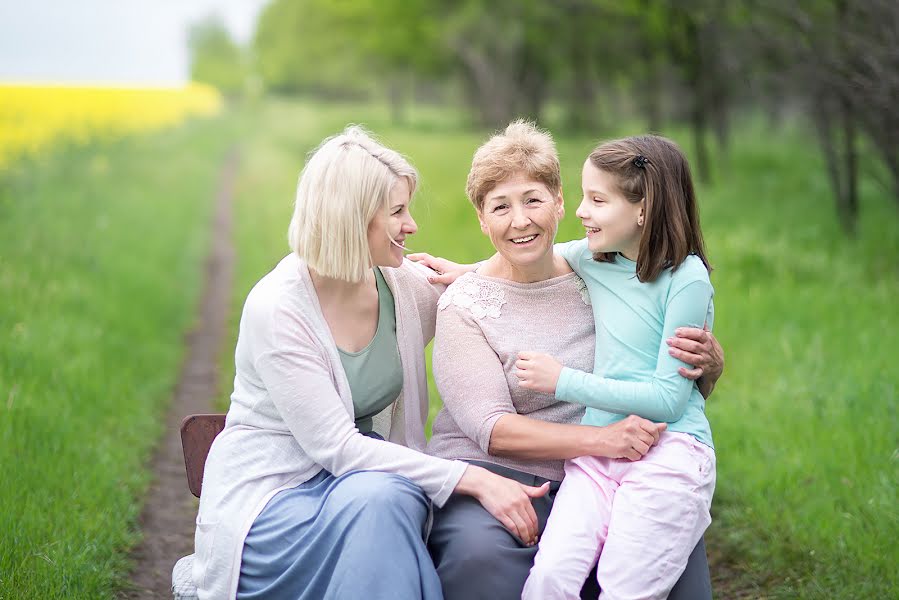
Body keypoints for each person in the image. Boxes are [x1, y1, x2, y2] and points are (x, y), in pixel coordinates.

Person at [190, 125, 550, 600]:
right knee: (384, 498)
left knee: (391, 496)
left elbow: (523, 275)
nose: (412, 225)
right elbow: (338, 449)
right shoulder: (278, 309)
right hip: (274, 504)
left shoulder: (400, 287)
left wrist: (474, 273)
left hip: (363, 490)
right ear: (351, 219)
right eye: (397, 212)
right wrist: (473, 478)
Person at [411, 121, 723, 600]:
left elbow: (657, 372)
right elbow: (492, 429)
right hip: (501, 471)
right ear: (481, 219)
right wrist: (602, 440)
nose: (520, 220)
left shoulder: (603, 267)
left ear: (559, 201)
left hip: (614, 463)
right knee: (488, 565)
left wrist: (710, 364)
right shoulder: (466, 305)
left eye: (533, 200)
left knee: (672, 574)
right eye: (500, 207)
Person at [519, 135, 717, 599]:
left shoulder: (687, 278)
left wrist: (563, 382)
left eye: (597, 200)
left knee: (625, 588)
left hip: (669, 450)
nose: (581, 211)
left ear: (643, 208)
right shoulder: (594, 257)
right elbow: (522, 261)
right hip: (597, 456)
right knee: (549, 581)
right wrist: (458, 270)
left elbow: (670, 399)